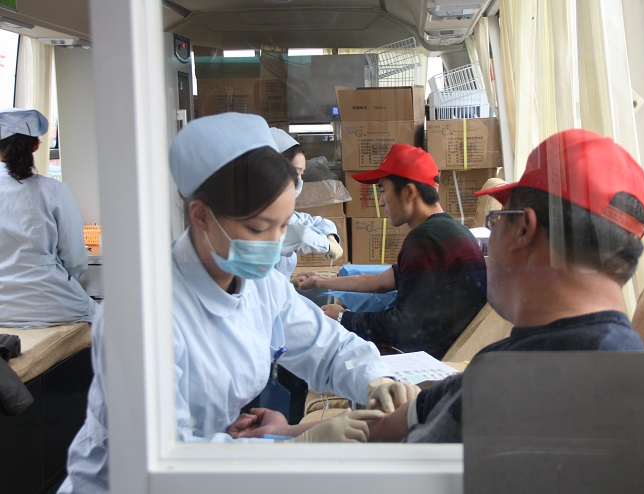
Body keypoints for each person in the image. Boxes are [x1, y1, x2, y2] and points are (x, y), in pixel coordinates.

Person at [59, 113, 417, 493]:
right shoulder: (143, 310)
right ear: (201, 215)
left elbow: (326, 348)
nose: (274, 244)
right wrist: (295, 448)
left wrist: (373, 380)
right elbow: (161, 458)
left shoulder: (262, 286)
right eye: (258, 228)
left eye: (283, 226)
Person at [365, 129, 644, 444]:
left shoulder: (510, 383)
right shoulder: (630, 366)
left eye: (498, 218)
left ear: (524, 229)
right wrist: (413, 408)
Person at [297, 144, 487, 360]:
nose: (380, 201)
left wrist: (344, 318)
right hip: (449, 347)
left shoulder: (424, 239)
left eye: (383, 190)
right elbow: (378, 282)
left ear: (409, 192)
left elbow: (403, 327)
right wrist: (321, 281)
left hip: (433, 358)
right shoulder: (450, 230)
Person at [0, 108, 97, 328]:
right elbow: (75, 259)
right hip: (52, 304)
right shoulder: (53, 190)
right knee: (108, 323)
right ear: (36, 145)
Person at [269, 128, 342, 279]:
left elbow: (311, 221)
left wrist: (330, 235)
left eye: (302, 174)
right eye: (296, 172)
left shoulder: (281, 209)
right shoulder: (258, 210)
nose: (300, 181)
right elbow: (299, 234)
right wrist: (327, 245)